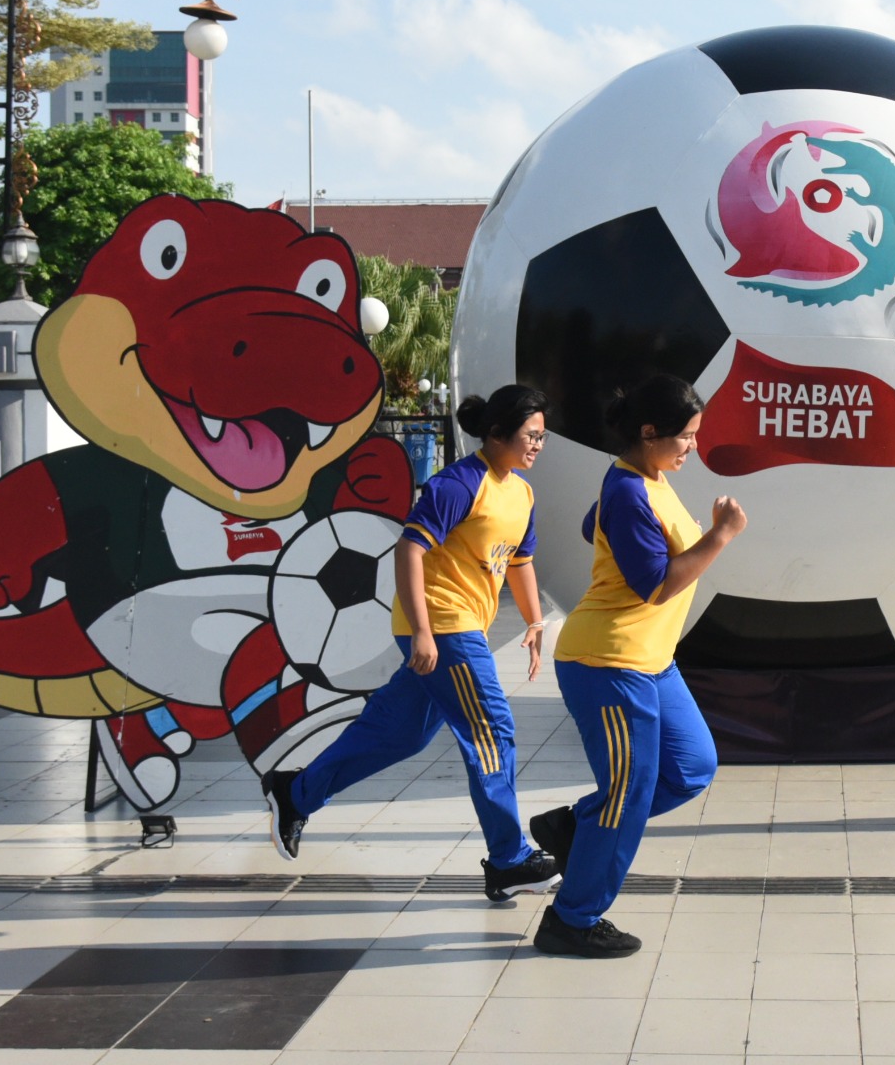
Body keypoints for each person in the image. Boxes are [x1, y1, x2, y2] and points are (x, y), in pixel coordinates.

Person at [261, 386, 561, 902]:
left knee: (401, 736)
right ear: (496, 434)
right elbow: (409, 549)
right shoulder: (459, 483)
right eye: (531, 435)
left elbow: (520, 560)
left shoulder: (522, 493)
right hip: (443, 627)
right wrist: (422, 629)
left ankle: (297, 792)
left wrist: (535, 623)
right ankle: (509, 860)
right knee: (491, 730)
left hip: (460, 627)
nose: (538, 444)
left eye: (542, 436)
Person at [527, 375, 746, 958]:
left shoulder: (645, 480)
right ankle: (571, 919)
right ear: (649, 433)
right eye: (686, 437)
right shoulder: (628, 491)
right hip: (609, 662)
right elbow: (655, 585)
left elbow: (592, 526)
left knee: (692, 766)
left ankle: (575, 828)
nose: (692, 447)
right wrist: (720, 537)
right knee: (627, 794)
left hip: (651, 662)